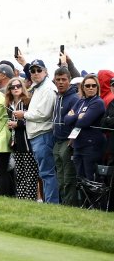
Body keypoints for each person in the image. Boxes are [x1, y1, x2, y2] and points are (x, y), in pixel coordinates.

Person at [13, 57, 59, 203]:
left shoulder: (48, 89)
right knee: (44, 173)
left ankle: (51, 204)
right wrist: (23, 63)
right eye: (32, 71)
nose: (35, 73)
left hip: (43, 134)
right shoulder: (38, 86)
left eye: (39, 70)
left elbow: (43, 114)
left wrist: (23, 115)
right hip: (36, 135)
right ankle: (49, 202)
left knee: (47, 173)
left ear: (45, 72)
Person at [64, 74, 106, 182]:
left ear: (97, 87)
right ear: (83, 87)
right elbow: (66, 120)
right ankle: (83, 200)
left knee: (90, 181)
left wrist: (74, 115)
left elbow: (84, 122)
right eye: (87, 86)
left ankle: (92, 200)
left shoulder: (98, 102)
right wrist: (78, 116)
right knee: (80, 180)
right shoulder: (80, 101)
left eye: (93, 85)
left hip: (91, 146)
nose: (91, 88)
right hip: (78, 145)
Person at [5, 77, 40, 200]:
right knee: (19, 173)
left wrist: (17, 124)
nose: (15, 88)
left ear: (22, 87)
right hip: (16, 142)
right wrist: (10, 125)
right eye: (12, 87)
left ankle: (30, 200)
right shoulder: (9, 105)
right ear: (9, 89)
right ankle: (21, 199)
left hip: (28, 142)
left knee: (30, 174)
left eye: (18, 86)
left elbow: (33, 120)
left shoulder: (27, 102)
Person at [52, 66, 80, 205]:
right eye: (58, 80)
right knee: (60, 177)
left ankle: (70, 206)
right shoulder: (58, 97)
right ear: (54, 81)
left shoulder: (74, 98)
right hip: (57, 141)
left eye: (64, 79)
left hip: (67, 142)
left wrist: (72, 139)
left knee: (68, 177)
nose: (61, 82)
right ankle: (64, 205)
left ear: (69, 80)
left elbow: (78, 121)